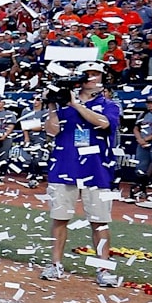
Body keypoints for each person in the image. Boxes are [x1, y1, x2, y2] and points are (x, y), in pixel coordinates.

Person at [41, 62, 122, 287]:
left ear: (103, 79)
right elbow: (51, 130)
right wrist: (52, 105)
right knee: (59, 218)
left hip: (97, 170)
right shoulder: (63, 105)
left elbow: (103, 123)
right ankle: (55, 264)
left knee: (100, 222)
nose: (92, 77)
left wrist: (76, 105)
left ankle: (104, 269)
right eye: (89, 73)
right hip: (64, 167)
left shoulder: (109, 105)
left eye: (97, 73)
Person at [132, 94, 152, 206]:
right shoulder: (143, 114)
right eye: (148, 103)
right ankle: (141, 191)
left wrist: (146, 139)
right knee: (140, 167)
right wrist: (140, 139)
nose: (150, 105)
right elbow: (136, 128)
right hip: (142, 144)